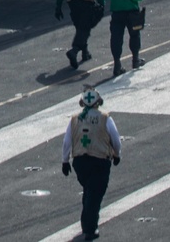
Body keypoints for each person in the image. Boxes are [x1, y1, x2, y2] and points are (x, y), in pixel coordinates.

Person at [62, 88, 122, 241]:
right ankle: (90, 228)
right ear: (98, 102)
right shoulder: (105, 118)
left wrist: (65, 161)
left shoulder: (75, 119)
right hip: (100, 161)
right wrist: (117, 154)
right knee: (95, 195)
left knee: (89, 190)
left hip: (80, 162)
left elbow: (66, 141)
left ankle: (86, 223)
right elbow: (115, 138)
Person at [106, 0, 158, 76]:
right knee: (134, 35)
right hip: (131, 13)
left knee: (116, 39)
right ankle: (135, 60)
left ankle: (117, 64)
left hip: (117, 14)